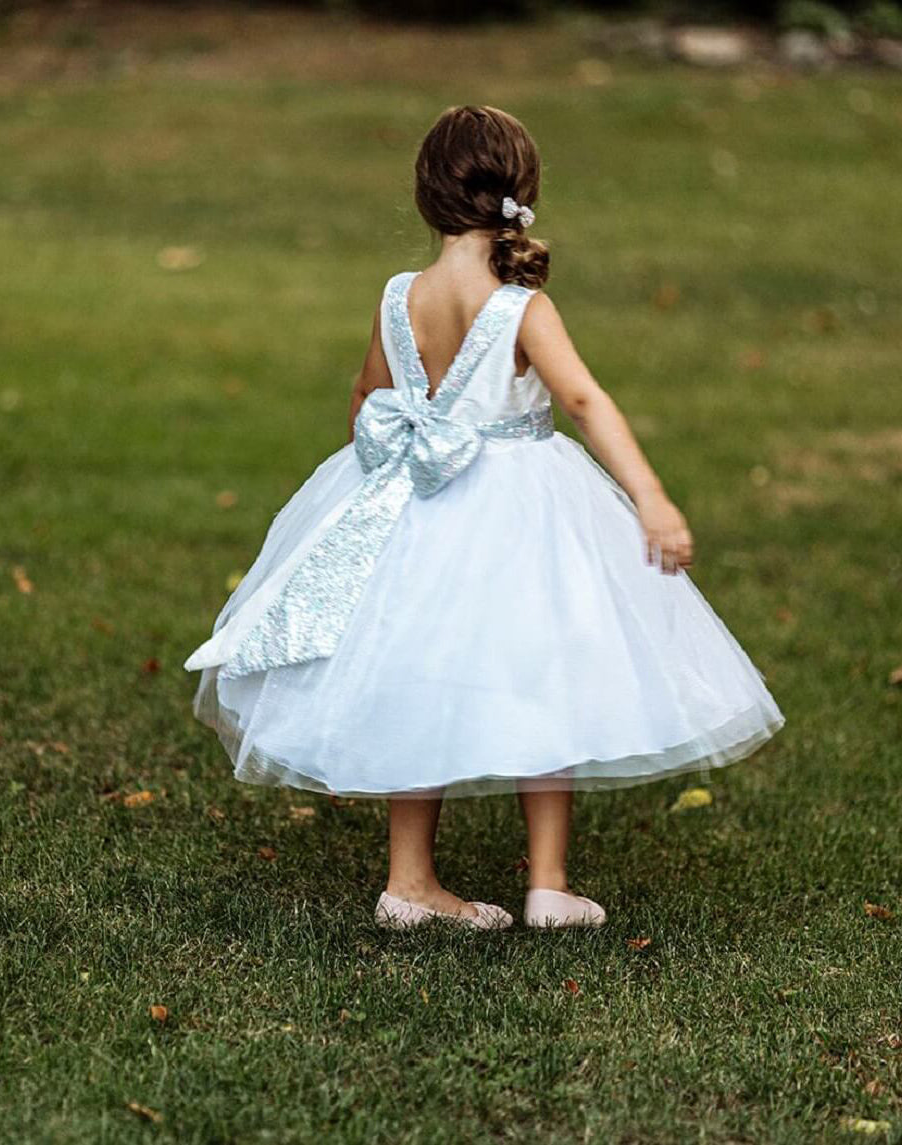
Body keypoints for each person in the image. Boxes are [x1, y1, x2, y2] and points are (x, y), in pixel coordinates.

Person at [184, 105, 785, 932]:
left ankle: (410, 881)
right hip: (522, 515)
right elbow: (582, 399)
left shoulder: (401, 297)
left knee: (413, 676)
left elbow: (369, 398)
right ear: (521, 195)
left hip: (416, 508)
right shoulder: (520, 306)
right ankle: (547, 883)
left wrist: (375, 483)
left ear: (428, 195)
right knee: (550, 670)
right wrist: (648, 494)